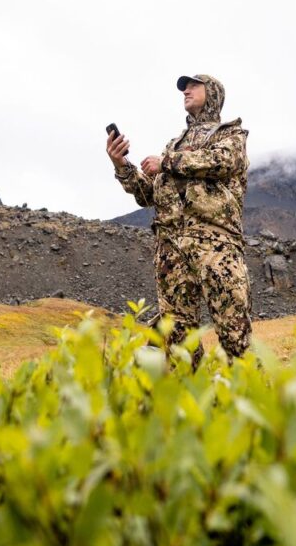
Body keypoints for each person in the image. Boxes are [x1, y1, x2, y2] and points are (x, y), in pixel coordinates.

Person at [107, 74, 252, 360]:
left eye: (193, 85)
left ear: (212, 93)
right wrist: (122, 165)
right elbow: (149, 195)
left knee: (234, 331)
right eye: (184, 87)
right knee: (176, 338)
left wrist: (166, 163)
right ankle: (187, 396)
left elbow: (223, 162)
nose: (185, 90)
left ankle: (251, 396)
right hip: (170, 249)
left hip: (215, 245)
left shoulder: (230, 134)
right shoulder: (173, 144)